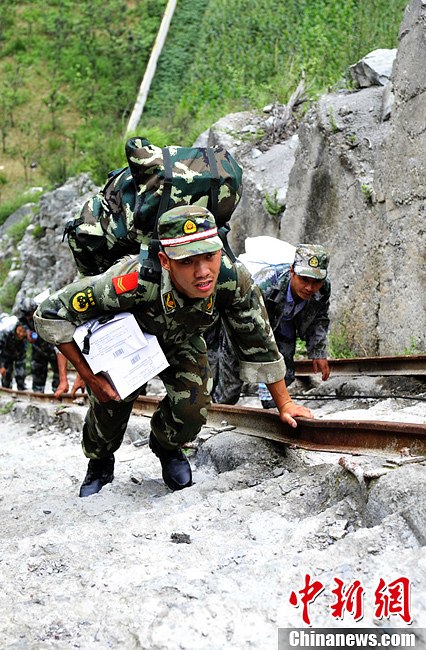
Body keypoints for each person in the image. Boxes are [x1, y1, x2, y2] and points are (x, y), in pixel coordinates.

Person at [34, 205, 313, 497]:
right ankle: (100, 462)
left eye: (210, 256)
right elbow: (52, 313)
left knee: (194, 408)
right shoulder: (132, 281)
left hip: (182, 341)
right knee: (109, 411)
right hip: (129, 345)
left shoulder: (232, 279)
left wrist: (284, 404)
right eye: (188, 261)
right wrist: (89, 376)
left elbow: (259, 341)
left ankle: (167, 446)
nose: (203, 271)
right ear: (166, 261)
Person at [208, 244, 331, 408]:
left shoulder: (322, 290)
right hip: (243, 327)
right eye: (304, 279)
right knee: (230, 383)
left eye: (316, 281)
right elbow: (245, 322)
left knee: (282, 375)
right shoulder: (264, 286)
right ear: (292, 272)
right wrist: (261, 362)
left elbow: (319, 319)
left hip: (282, 328)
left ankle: (271, 409)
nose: (310, 287)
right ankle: (216, 411)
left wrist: (318, 352)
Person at [17, 297, 60, 394]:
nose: (29, 316)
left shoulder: (44, 312)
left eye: (30, 313)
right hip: (37, 347)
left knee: (58, 369)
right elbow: (21, 323)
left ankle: (57, 391)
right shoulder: (23, 317)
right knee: (37, 369)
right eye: (27, 314)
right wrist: (27, 331)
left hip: (51, 346)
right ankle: (38, 392)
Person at [0, 319, 28, 390]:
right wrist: (1, 366)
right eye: (20, 331)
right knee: (6, 376)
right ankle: (6, 388)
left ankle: (21, 389)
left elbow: (23, 353)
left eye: (23, 332)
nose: (21, 334)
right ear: (16, 328)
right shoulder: (5, 333)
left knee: (20, 374)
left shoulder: (26, 336)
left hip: (19, 355)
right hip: (5, 355)